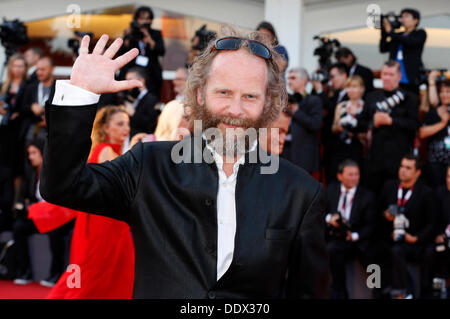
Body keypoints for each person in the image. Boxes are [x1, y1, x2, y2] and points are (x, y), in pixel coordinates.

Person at [41, 28, 330, 298]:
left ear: (268, 103)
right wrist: (80, 93)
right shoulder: (149, 166)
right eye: (224, 93)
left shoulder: (301, 192)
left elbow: (308, 292)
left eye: (250, 97)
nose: (236, 110)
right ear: (201, 94)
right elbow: (63, 186)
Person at [47, 106, 144, 298]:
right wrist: (134, 149)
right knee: (92, 274)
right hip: (105, 225)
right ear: (106, 128)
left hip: (110, 222)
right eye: (119, 124)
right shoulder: (105, 150)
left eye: (127, 124)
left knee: (105, 274)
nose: (125, 129)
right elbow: (127, 181)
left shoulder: (108, 151)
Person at [12, 139, 74, 286]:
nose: (30, 156)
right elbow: (28, 196)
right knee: (19, 227)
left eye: (33, 153)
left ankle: (56, 273)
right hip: (42, 217)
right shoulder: (32, 173)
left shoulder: (55, 173)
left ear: (43, 153)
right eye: (29, 153)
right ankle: (25, 272)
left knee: (55, 231)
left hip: (59, 217)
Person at [360, 60, 419, 196]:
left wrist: (391, 121)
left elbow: (414, 125)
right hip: (374, 161)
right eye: (384, 74)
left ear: (399, 76)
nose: (387, 77)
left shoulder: (410, 98)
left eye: (391, 74)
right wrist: (373, 123)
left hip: (398, 162)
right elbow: (360, 124)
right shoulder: (371, 97)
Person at [379, 154, 434, 298]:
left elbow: (431, 224)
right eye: (402, 166)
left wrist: (415, 238)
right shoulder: (389, 187)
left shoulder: (426, 193)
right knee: (375, 250)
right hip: (390, 239)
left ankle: (403, 293)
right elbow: (376, 214)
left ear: (418, 173)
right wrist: (385, 216)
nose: (403, 170)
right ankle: (378, 290)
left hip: (415, 242)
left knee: (398, 251)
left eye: (408, 168)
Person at [325, 160, 378, 299]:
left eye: (356, 174)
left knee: (376, 254)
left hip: (358, 238)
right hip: (335, 237)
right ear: (339, 176)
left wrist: (354, 235)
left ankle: (378, 290)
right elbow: (319, 212)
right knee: (332, 249)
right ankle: (339, 291)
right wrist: (330, 218)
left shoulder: (367, 196)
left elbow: (372, 225)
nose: (354, 178)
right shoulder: (330, 190)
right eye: (350, 174)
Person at [119, 6, 165, 99]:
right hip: (132, 72)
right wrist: (127, 37)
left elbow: (161, 51)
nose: (144, 22)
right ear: (136, 20)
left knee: (151, 98)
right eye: (142, 19)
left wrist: (150, 41)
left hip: (151, 75)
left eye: (147, 19)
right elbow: (121, 52)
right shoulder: (131, 33)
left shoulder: (155, 33)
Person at [379, 8, 427, 95]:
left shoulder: (420, 33)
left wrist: (391, 31)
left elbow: (409, 42)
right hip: (394, 80)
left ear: (415, 20)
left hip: (410, 79)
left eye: (406, 16)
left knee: (411, 102)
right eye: (402, 17)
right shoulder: (398, 35)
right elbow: (383, 48)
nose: (403, 19)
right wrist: (384, 32)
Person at [329, 75, 366, 183]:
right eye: (348, 87)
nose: (351, 90)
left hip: (357, 149)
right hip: (340, 147)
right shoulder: (341, 106)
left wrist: (353, 134)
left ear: (362, 89)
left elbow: (367, 132)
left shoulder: (365, 106)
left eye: (354, 87)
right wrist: (339, 128)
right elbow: (333, 127)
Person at [0, 53, 28, 194]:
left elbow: (27, 107)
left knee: (17, 167)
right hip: (4, 130)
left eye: (20, 66)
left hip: (19, 131)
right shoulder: (4, 85)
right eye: (15, 65)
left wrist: (19, 113)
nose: (17, 69)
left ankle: (15, 202)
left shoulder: (28, 85)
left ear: (25, 68)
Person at [286, 67, 322, 176]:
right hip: (285, 153)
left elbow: (315, 124)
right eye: (288, 78)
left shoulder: (314, 100)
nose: (289, 81)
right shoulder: (284, 100)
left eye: (293, 78)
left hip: (303, 156)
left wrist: (297, 113)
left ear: (304, 80)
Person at [422, 165, 450, 298]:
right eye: (449, 176)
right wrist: (438, 234)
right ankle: (431, 292)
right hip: (443, 239)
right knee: (431, 252)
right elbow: (434, 219)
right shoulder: (439, 193)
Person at [419, 79, 450, 188]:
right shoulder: (433, 113)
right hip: (435, 162)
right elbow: (422, 133)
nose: (444, 95)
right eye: (442, 92)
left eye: (448, 91)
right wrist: (443, 123)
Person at [323, 63, 349, 183]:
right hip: (331, 146)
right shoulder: (336, 94)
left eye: (333, 76)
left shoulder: (351, 95)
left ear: (344, 75)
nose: (331, 80)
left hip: (344, 148)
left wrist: (319, 91)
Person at [124, 66, 159, 138]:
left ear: (141, 81)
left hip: (142, 139)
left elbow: (151, 123)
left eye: (130, 80)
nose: (127, 83)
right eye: (126, 80)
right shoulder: (129, 97)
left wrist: (134, 114)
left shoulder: (151, 99)